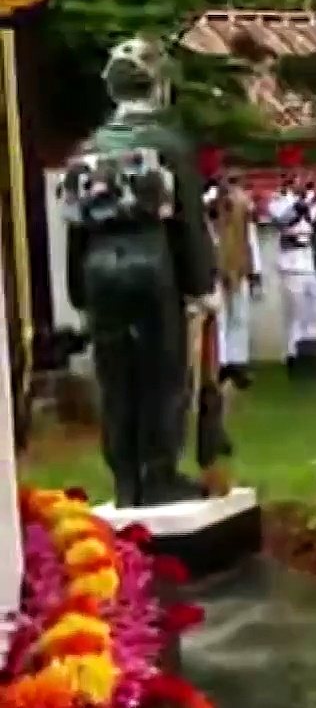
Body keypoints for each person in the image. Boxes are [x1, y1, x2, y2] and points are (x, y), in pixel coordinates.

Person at [60, 36, 219, 508]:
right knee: (162, 372)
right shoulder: (169, 144)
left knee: (115, 378)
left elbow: (77, 226)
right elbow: (188, 222)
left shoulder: (87, 149)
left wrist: (79, 291)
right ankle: (159, 474)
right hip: (154, 267)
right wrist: (201, 285)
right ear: (158, 86)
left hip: (99, 271)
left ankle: (126, 481)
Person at [266, 144, 316, 383]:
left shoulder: (314, 198)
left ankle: (313, 358)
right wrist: (302, 203)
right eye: (291, 171)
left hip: (312, 260)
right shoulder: (279, 200)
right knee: (296, 315)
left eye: (299, 170)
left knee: (315, 313)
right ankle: (294, 359)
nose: (296, 176)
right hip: (291, 262)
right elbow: (284, 220)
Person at [201, 147, 261, 388]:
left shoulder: (244, 200)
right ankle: (223, 363)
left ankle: (238, 362)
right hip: (217, 263)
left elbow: (251, 234)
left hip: (239, 262)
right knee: (222, 317)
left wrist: (255, 268)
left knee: (240, 316)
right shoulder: (208, 199)